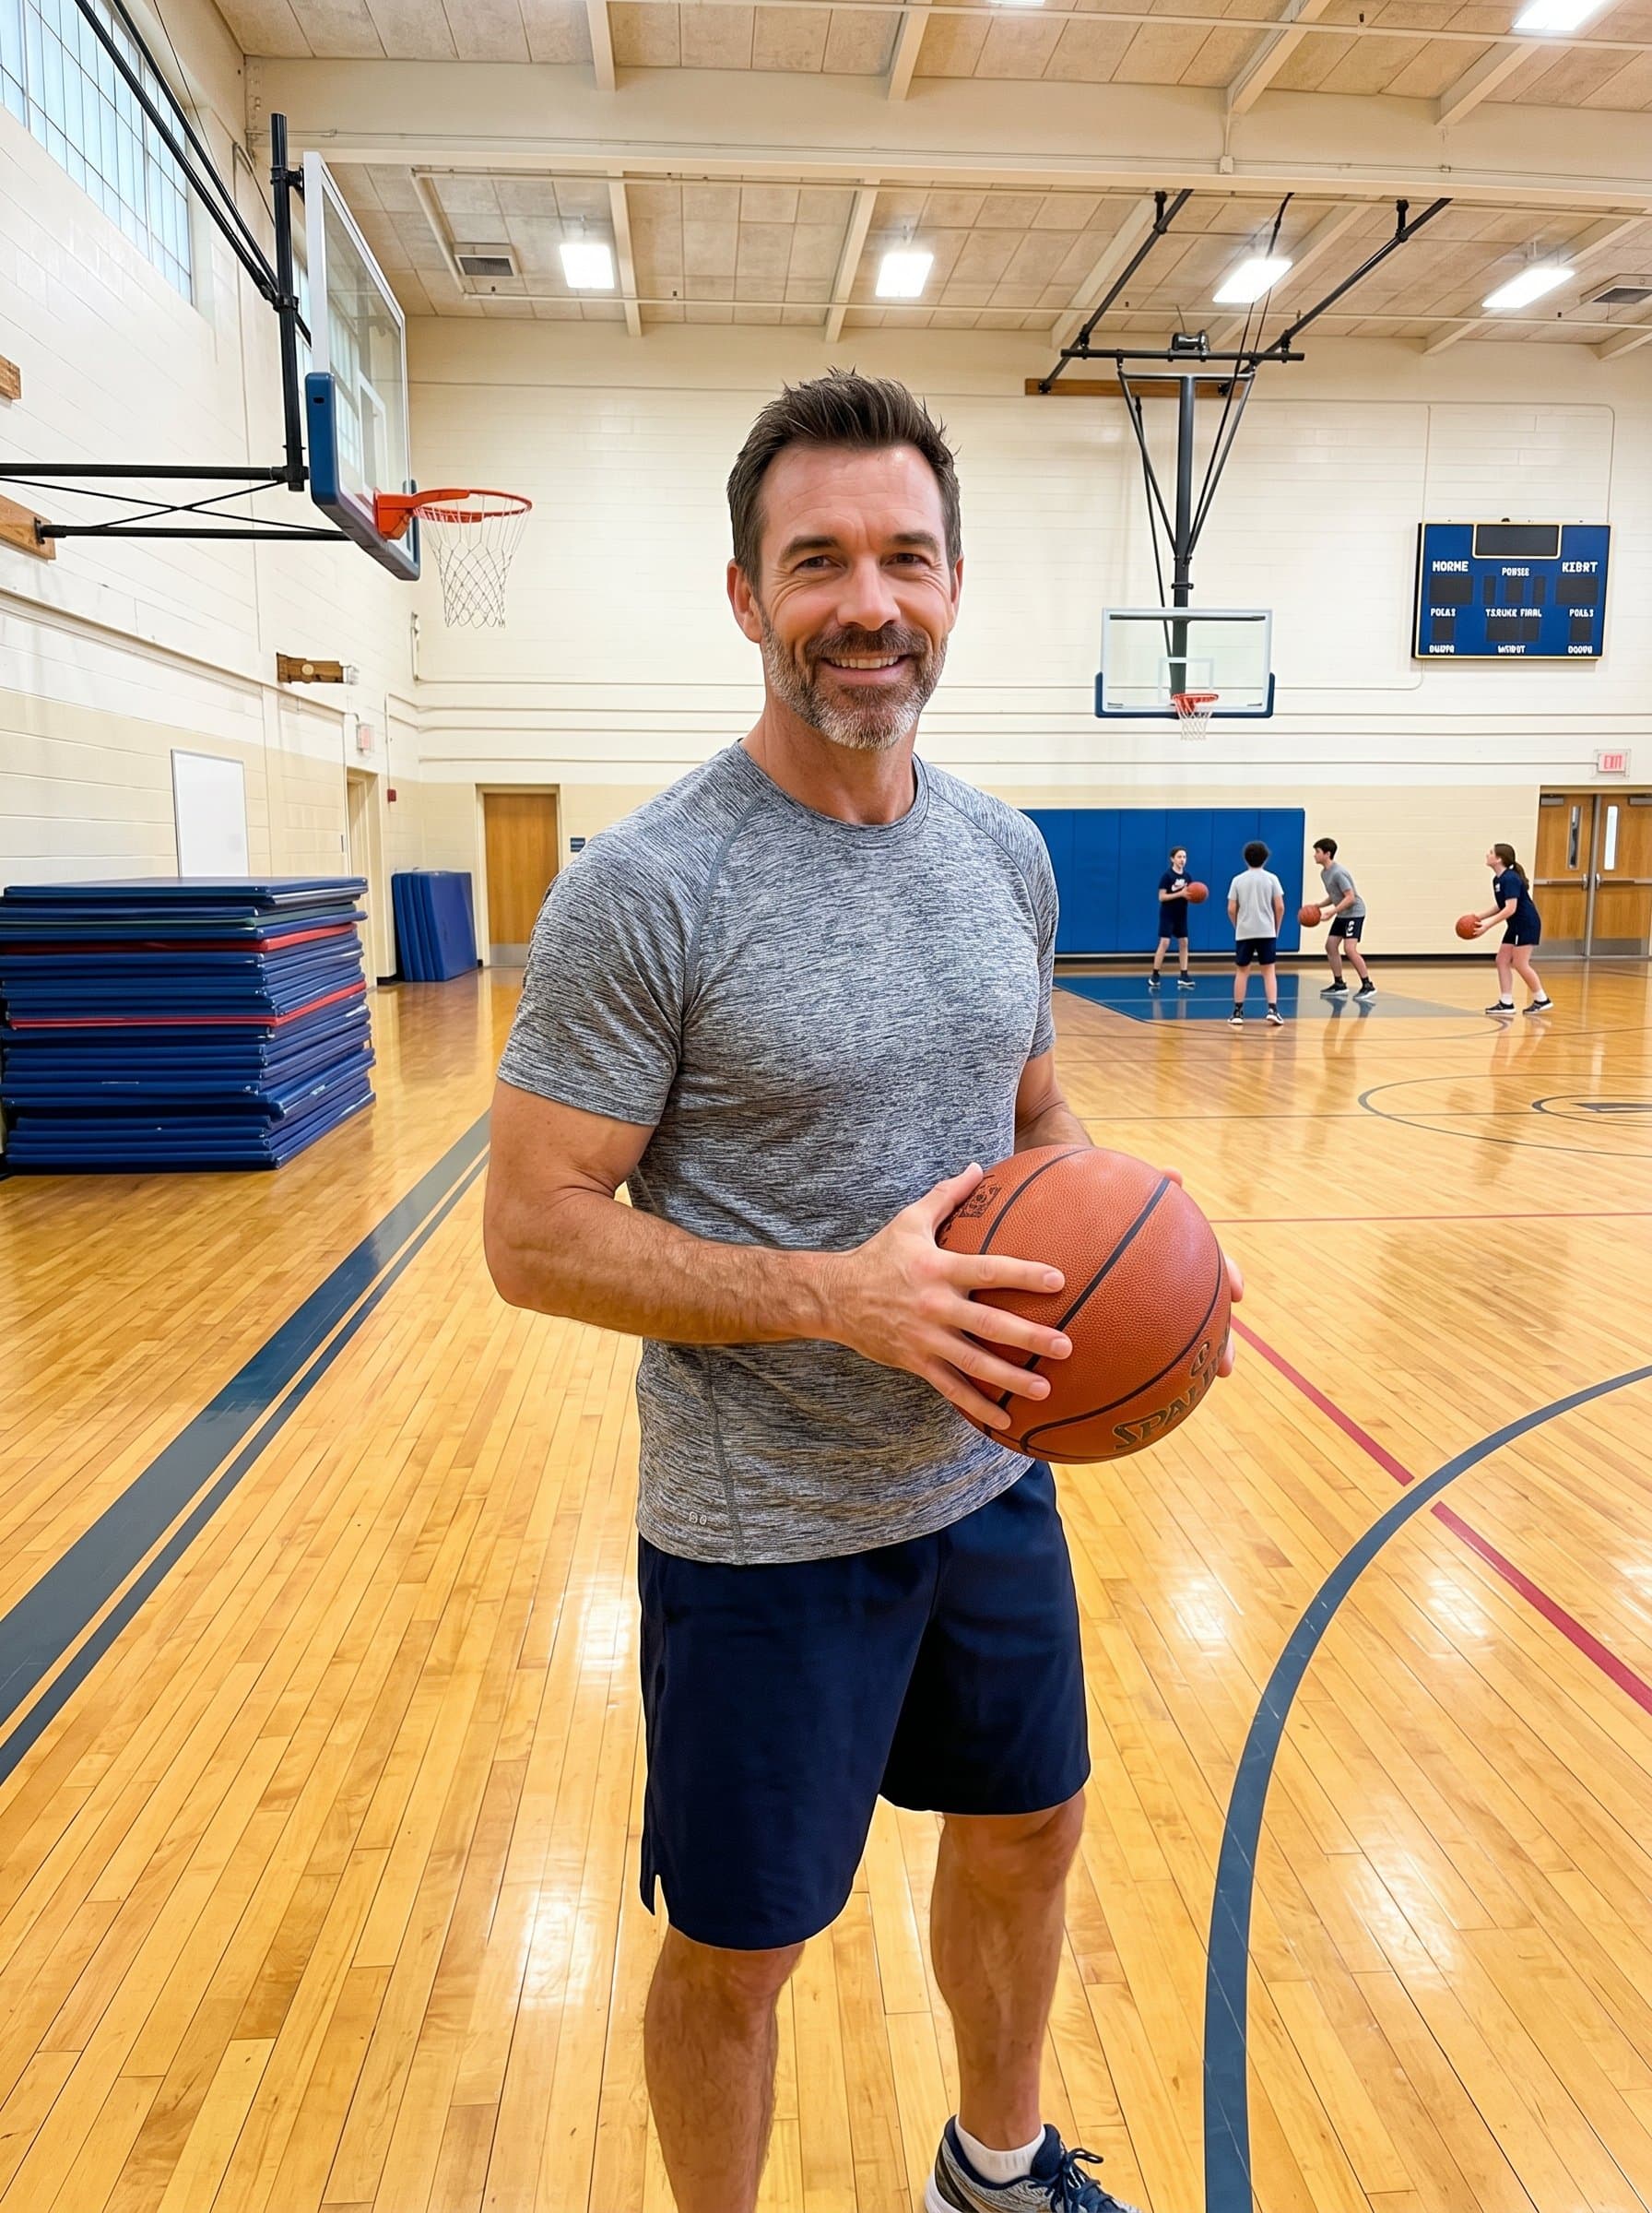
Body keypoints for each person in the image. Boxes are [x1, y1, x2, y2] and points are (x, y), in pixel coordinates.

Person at [483, 372, 1241, 2213]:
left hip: (988, 1482)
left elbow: (1033, 1112)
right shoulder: (648, 890)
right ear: (746, 597)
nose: (865, 598)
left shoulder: (1000, 853)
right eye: (815, 559)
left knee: (1027, 1835)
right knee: (745, 1947)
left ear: (953, 586)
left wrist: (1158, 1253)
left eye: (903, 554)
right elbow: (531, 1231)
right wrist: (847, 1300)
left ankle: (992, 2168)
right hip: (761, 1537)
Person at [1469, 841, 1552, 1015]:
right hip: (1515, 924)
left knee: (1520, 963)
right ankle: (1506, 1002)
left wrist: (1487, 926)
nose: (1487, 854)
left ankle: (1541, 998)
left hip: (1525, 923)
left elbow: (1511, 909)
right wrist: (1479, 917)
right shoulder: (1498, 879)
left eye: (1490, 852)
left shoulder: (1510, 878)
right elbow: (1501, 905)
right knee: (1502, 960)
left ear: (1499, 859)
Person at [1227, 839, 1286, 1027]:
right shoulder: (1272, 879)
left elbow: (1231, 908)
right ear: (1265, 858)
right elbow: (1280, 907)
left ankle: (1237, 1012)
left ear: (1245, 859)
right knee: (1268, 971)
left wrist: (1238, 925)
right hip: (1266, 931)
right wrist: (1276, 928)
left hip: (1244, 931)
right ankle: (1273, 1009)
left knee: (1242, 971)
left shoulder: (1237, 880)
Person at [1311, 836, 1375, 1000]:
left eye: (1317, 852)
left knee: (1349, 949)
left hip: (1354, 912)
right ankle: (1339, 983)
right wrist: (1318, 906)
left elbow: (1350, 897)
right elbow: (1335, 896)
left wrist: (1331, 912)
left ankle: (1368, 984)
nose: (1314, 855)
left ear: (1327, 853)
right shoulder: (1324, 873)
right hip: (1343, 912)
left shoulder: (1338, 873)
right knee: (1331, 946)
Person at [1150, 846, 1194, 989]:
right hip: (1168, 914)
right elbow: (1161, 897)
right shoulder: (1167, 876)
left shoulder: (1187, 877)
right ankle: (1155, 974)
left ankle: (1184, 975)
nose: (1182, 860)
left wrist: (1197, 896)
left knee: (1184, 942)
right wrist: (1179, 894)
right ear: (1172, 859)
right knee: (1165, 943)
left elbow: (1192, 893)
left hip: (1181, 914)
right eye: (1179, 857)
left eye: (1184, 857)